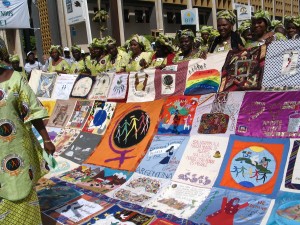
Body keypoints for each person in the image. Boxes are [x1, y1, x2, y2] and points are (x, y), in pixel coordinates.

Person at [0, 50, 55, 224]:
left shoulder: (15, 79)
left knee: (20, 189)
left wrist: (46, 139)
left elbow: (33, 110)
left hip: (15, 149)